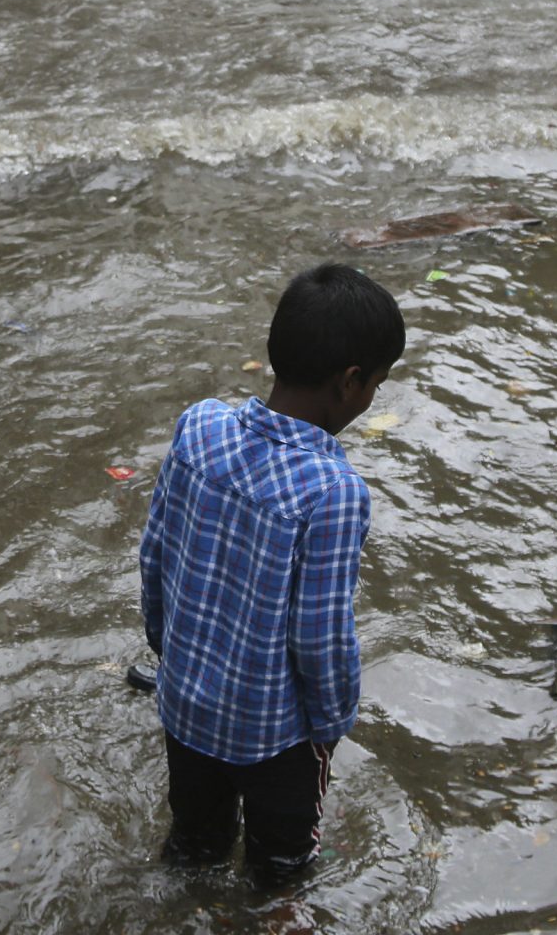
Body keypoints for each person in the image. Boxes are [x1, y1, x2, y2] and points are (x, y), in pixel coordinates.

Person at [138, 263, 404, 887]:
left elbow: (154, 554)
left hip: (184, 707)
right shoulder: (333, 492)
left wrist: (165, 647)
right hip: (273, 739)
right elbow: (320, 636)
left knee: (194, 847)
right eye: (377, 386)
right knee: (282, 872)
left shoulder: (199, 428)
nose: (370, 402)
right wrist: (332, 725)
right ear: (350, 381)